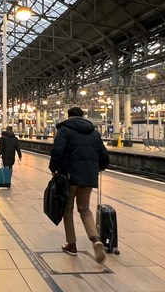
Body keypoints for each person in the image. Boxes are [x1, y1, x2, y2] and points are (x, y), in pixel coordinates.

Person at [49, 106, 109, 264]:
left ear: (68, 116)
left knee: (68, 209)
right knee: (85, 209)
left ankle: (72, 244)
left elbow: (57, 151)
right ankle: (96, 239)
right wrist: (99, 167)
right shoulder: (94, 133)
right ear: (83, 117)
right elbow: (104, 155)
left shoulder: (64, 130)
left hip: (70, 176)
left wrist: (53, 168)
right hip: (88, 176)